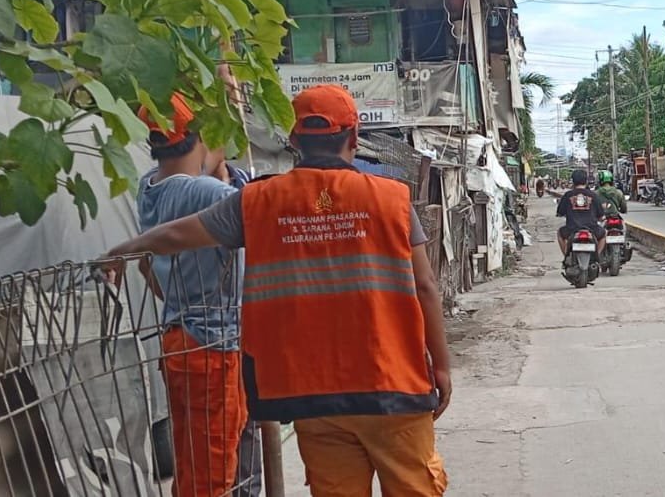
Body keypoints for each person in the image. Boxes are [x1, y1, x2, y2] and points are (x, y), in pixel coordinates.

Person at [105, 84, 451, 496]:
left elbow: (181, 234)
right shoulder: (391, 199)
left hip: (314, 398)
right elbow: (425, 287)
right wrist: (442, 366)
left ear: (293, 140)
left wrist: (125, 249)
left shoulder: (258, 201)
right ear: (354, 137)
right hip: (395, 385)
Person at [134, 93, 247, 497]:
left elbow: (149, 269)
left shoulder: (149, 189)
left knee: (191, 463)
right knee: (212, 473)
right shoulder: (207, 193)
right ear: (198, 135)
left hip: (178, 337)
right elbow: (248, 208)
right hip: (213, 345)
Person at [556, 169, 605, 258]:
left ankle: (566, 257)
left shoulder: (568, 195)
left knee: (560, 233)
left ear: (573, 181)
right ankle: (597, 257)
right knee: (603, 235)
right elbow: (601, 215)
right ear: (586, 181)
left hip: (572, 229)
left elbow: (560, 212)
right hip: (592, 229)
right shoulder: (593, 195)